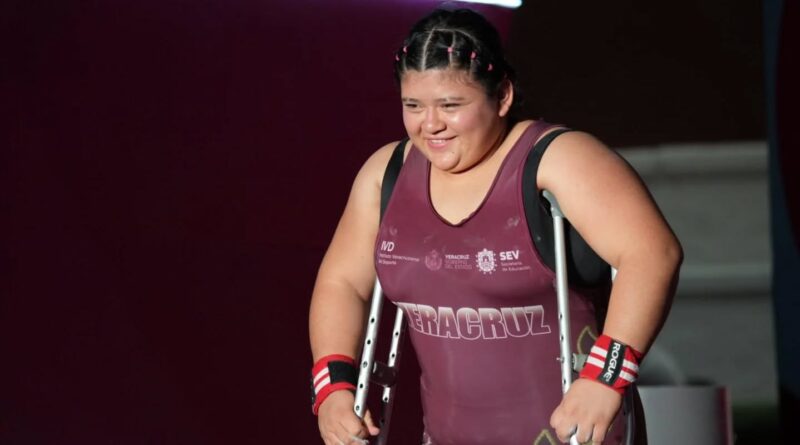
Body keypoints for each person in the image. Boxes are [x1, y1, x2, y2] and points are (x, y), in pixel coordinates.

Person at [308, 8, 681, 445]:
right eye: (413, 106)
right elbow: (342, 282)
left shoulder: (557, 159)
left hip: (574, 434)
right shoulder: (385, 173)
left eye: (451, 105)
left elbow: (652, 254)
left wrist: (606, 376)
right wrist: (332, 388)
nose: (430, 125)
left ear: (502, 96)